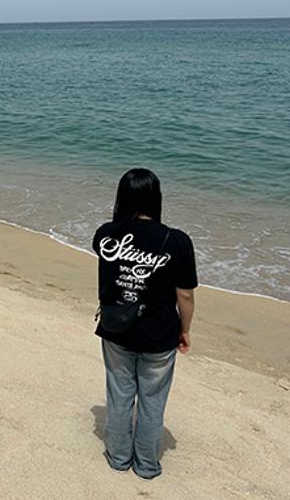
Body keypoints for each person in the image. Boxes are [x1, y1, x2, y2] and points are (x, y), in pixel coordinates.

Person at [92, 168, 197, 479]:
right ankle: (146, 464)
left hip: (116, 328)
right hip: (159, 333)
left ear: (122, 197)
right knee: (152, 400)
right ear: (156, 199)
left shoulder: (106, 235)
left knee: (120, 394)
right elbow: (185, 295)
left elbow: (111, 272)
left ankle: (118, 457)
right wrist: (185, 330)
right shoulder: (176, 241)